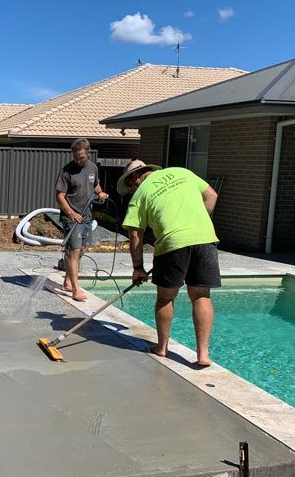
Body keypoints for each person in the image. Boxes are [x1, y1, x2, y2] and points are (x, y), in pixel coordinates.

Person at [117, 159, 220, 368]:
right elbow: (212, 196)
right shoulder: (183, 172)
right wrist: (198, 224)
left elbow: (135, 233)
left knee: (165, 297)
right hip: (204, 238)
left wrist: (138, 267)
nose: (130, 189)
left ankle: (162, 347)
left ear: (136, 177)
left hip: (171, 244)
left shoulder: (140, 194)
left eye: (129, 184)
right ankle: (203, 354)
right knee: (201, 295)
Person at [55, 138, 109, 301]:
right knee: (74, 250)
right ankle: (75, 289)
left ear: (88, 153)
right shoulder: (67, 171)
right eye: (76, 157)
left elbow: (95, 185)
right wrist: (71, 213)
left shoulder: (93, 168)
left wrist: (100, 193)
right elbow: (60, 195)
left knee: (83, 250)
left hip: (86, 216)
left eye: (81, 157)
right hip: (72, 218)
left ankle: (67, 281)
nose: (78, 160)